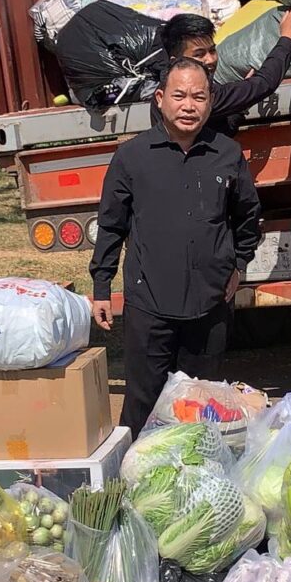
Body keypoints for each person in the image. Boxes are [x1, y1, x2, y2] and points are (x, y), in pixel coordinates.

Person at [92, 57, 262, 436]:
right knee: (142, 403)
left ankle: (197, 468)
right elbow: (111, 226)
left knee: (200, 408)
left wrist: (239, 264)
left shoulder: (227, 154)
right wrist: (102, 286)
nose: (189, 106)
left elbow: (247, 216)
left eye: (199, 97)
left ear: (210, 102)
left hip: (210, 304)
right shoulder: (132, 157)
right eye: (179, 95)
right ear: (160, 99)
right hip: (149, 304)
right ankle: (132, 468)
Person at [149, 9, 291, 137]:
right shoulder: (201, 95)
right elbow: (264, 84)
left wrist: (240, 103)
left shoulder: (166, 87)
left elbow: (219, 128)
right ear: (175, 61)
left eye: (212, 50)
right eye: (199, 54)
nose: (210, 60)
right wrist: (287, 38)